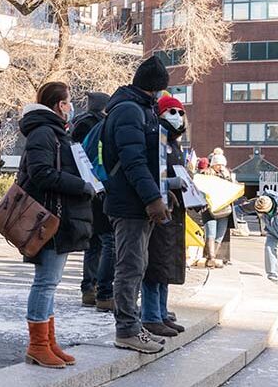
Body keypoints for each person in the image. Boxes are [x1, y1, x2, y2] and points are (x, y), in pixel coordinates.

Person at [18, 82, 94, 368]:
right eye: (68, 101)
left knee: (51, 282)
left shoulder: (53, 132)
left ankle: (48, 341)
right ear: (60, 105)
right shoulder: (43, 132)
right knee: (45, 282)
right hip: (47, 219)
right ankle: (38, 344)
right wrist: (81, 186)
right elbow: (41, 173)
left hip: (57, 218)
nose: (70, 106)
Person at [102, 56, 171, 354]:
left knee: (137, 264)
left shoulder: (137, 108)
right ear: (155, 88)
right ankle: (127, 330)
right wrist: (152, 199)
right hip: (131, 204)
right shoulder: (131, 111)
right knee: (130, 267)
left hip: (134, 202)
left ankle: (133, 326)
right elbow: (134, 161)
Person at [141, 95, 188, 338]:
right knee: (154, 265)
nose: (177, 117)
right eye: (171, 112)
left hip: (174, 213)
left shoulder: (176, 145)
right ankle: (150, 314)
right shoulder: (155, 141)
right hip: (160, 211)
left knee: (166, 265)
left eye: (180, 112)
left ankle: (161, 312)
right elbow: (151, 175)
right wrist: (171, 182)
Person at [71, 92, 115, 311]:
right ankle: (100, 289)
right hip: (100, 187)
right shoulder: (99, 125)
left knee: (95, 241)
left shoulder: (81, 123)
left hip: (88, 189)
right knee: (108, 240)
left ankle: (88, 288)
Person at [201, 154, 233, 268]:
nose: (220, 167)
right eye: (218, 164)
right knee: (211, 233)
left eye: (222, 165)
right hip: (210, 209)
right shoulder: (206, 173)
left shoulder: (226, 175)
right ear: (214, 164)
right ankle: (211, 258)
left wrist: (227, 178)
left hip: (224, 209)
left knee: (220, 234)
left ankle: (212, 257)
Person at [255, 191, 278, 283]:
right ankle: (272, 274)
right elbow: (241, 209)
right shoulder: (258, 203)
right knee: (269, 248)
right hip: (272, 233)